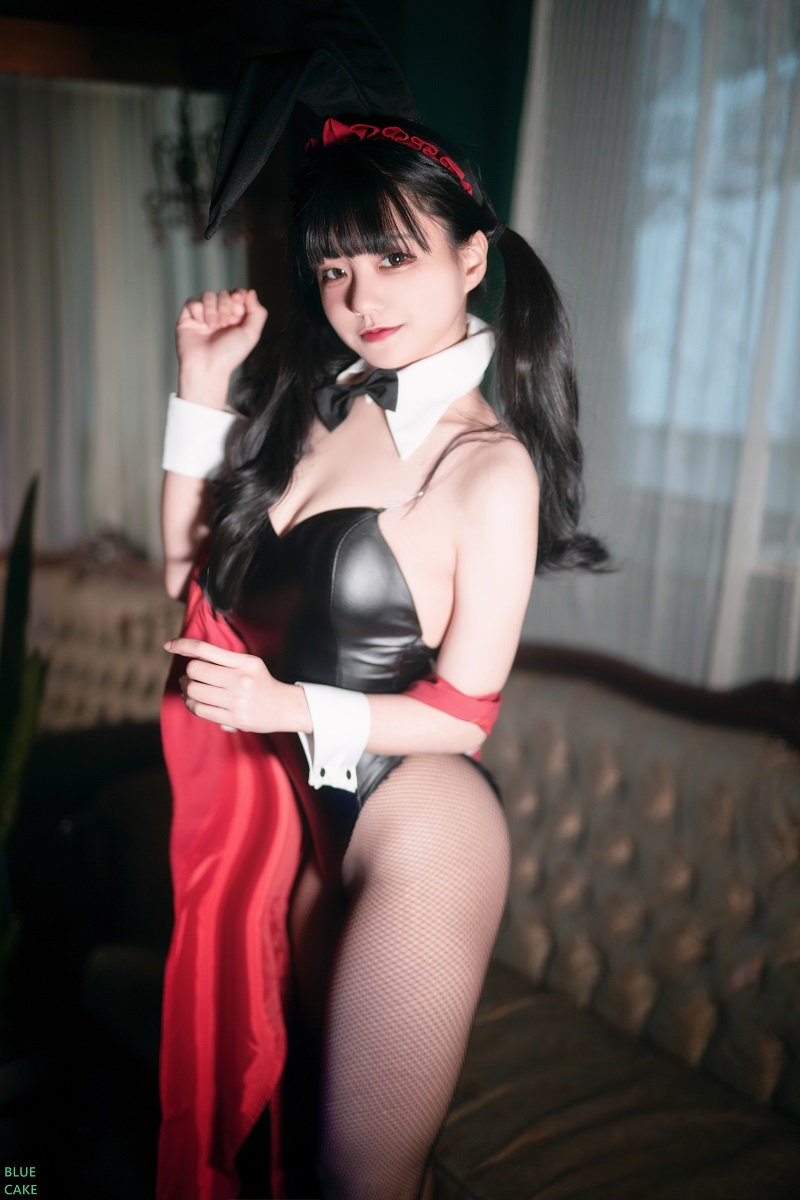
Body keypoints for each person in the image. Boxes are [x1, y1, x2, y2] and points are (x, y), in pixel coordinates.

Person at [156, 23, 607, 1200]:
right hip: (313, 825)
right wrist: (198, 392)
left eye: (392, 258)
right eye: (333, 272)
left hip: (422, 828)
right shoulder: (331, 405)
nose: (358, 299)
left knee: (361, 1179)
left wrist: (287, 705)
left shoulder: (486, 468)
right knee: (305, 1142)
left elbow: (462, 720)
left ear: (470, 256)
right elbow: (188, 580)